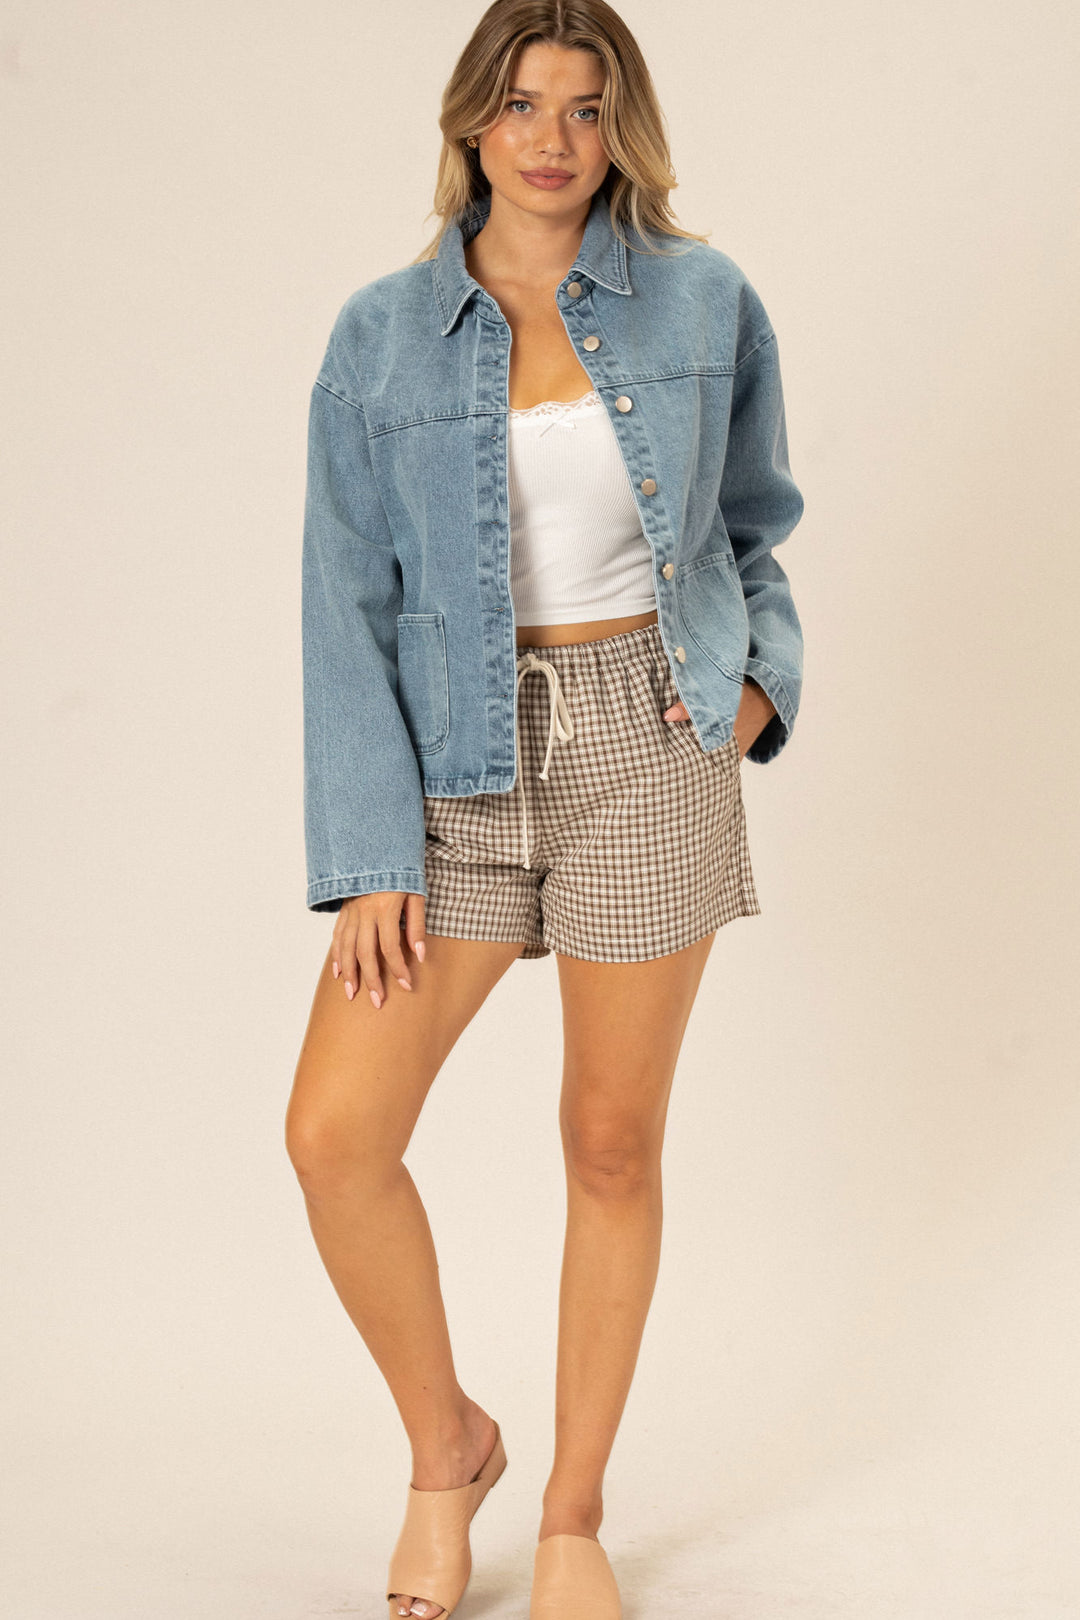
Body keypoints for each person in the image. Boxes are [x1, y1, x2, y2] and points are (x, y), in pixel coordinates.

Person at [286, 3, 805, 1617]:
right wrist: (373, 854)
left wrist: (758, 687)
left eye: (586, 108)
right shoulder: (381, 336)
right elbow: (341, 606)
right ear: (471, 124)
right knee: (335, 1135)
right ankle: (453, 1452)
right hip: (456, 764)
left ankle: (573, 1514)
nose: (553, 139)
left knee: (608, 1139)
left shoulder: (705, 300)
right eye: (522, 104)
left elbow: (755, 525)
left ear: (620, 128)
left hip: (649, 739)